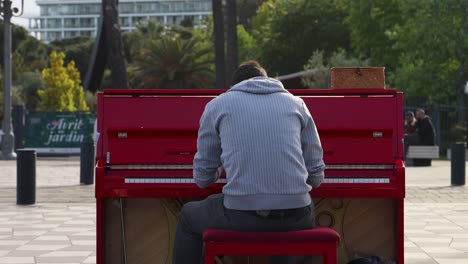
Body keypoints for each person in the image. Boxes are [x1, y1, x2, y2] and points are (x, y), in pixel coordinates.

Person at [172, 60, 325, 264]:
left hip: (241, 216)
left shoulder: (218, 105)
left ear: (234, 85)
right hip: (297, 216)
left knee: (188, 216)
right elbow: (316, 176)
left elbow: (202, 179)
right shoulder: (297, 104)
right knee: (296, 215)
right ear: (267, 79)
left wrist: (221, 168)